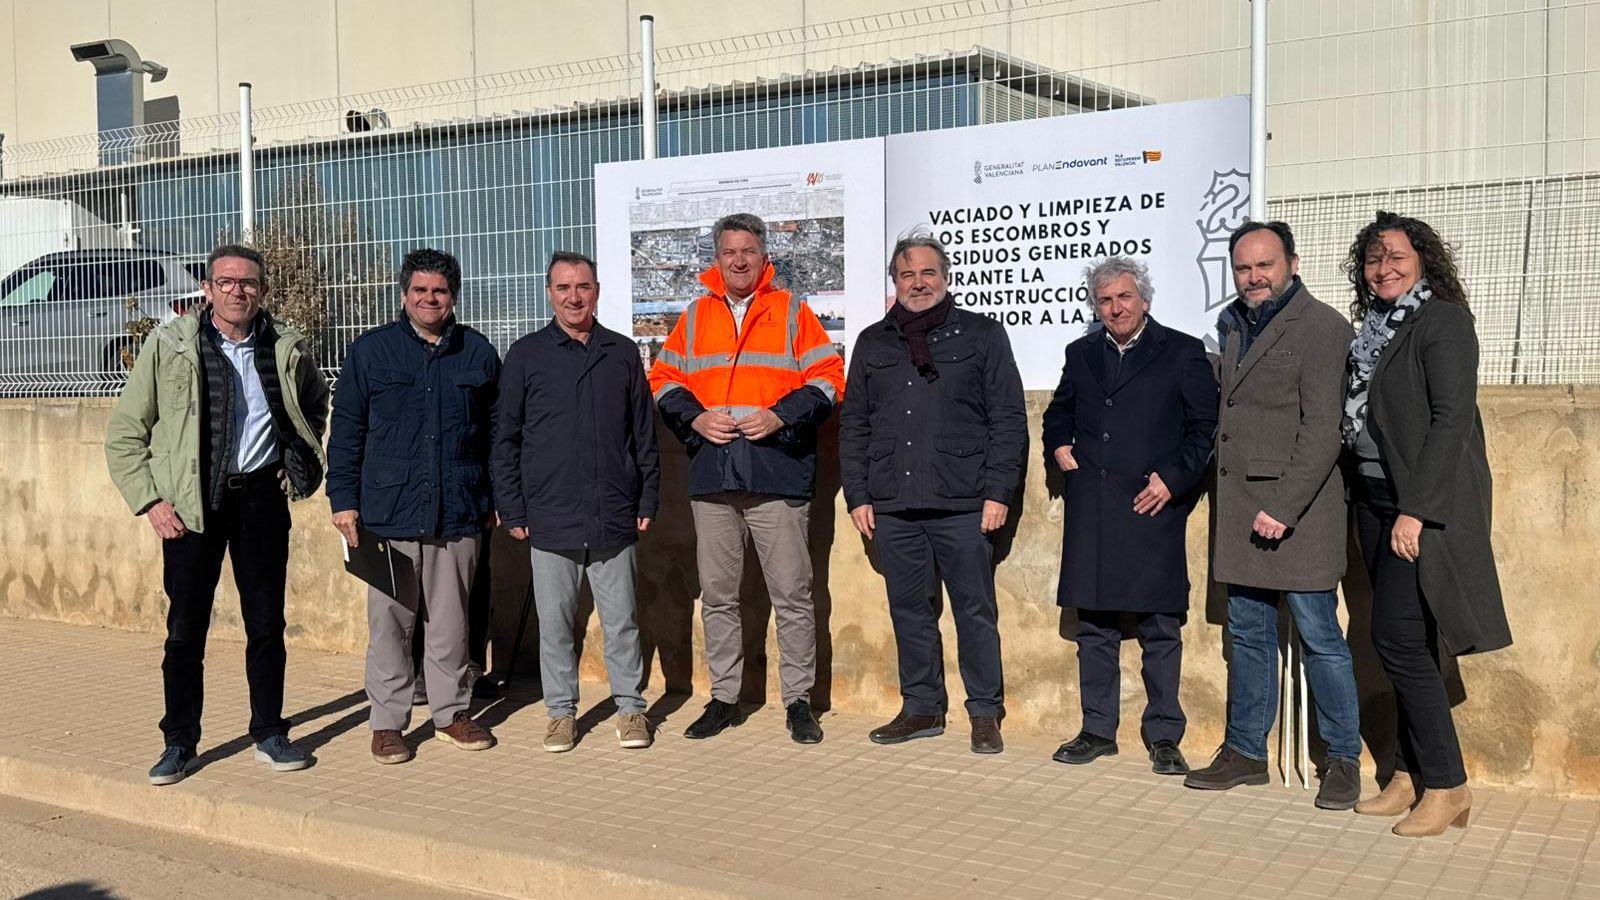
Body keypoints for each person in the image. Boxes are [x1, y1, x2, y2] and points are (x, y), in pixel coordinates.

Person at [106, 243, 329, 785]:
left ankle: (270, 732)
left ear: (263, 291)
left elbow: (313, 405)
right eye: (226, 282)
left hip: (259, 501)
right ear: (207, 289)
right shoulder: (169, 346)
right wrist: (150, 501)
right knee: (185, 630)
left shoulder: (286, 348)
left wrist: (297, 460)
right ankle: (179, 742)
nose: (237, 291)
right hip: (188, 506)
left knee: (266, 625)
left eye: (248, 283)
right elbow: (124, 435)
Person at [1341, 211, 1511, 837]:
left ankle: (1448, 784)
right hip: (1373, 501)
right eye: (1372, 260)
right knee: (1401, 644)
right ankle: (1410, 777)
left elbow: (1451, 420)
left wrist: (1416, 510)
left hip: (1418, 510)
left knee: (1400, 640)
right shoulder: (1376, 329)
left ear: (1423, 260)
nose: (1383, 269)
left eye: (1395, 257)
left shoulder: (1442, 322)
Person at [1184, 221, 1363, 811]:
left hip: (1300, 514)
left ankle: (1343, 759)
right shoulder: (1235, 325)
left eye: (1265, 265)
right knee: (1248, 636)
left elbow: (1323, 431)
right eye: (1243, 268)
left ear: (1291, 262)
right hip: (1242, 513)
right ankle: (1245, 753)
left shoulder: (1322, 327)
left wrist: (1282, 508)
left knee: (1321, 639)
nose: (1254, 277)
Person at [648, 213, 845, 744]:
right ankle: (725, 699)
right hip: (713, 477)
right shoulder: (694, 316)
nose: (739, 260)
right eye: (730, 251)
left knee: (793, 595)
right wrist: (695, 417)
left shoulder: (791, 312)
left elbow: (828, 379)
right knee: (718, 596)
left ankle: (799, 701)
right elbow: (662, 380)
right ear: (717, 259)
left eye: (749, 251)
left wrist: (782, 415)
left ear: (764, 258)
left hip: (776, 473)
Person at [839, 234, 1026, 754]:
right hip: (893, 503)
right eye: (907, 275)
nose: (918, 284)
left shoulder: (983, 334)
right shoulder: (874, 342)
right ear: (894, 282)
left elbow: (1008, 419)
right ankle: (922, 706)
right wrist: (858, 493)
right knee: (909, 610)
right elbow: (855, 422)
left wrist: (999, 493)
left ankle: (985, 711)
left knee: (974, 611)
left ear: (945, 277)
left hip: (964, 501)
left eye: (927, 273)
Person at [1041, 257, 1217, 774]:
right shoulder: (1081, 353)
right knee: (1094, 626)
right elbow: (1059, 410)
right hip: (1093, 508)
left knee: (1160, 628)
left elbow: (1203, 430)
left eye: (1123, 297)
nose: (1115, 308)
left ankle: (1164, 736)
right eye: (1104, 300)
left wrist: (1172, 478)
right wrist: (1058, 444)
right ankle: (1097, 730)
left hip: (1151, 504)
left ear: (1144, 299)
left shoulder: (1183, 352)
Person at [327, 248, 500, 765]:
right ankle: (387, 723)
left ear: (454, 298)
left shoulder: (477, 353)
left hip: (459, 511)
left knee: (451, 623)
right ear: (404, 295)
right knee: (392, 625)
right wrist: (343, 501)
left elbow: (494, 435)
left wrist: (494, 498)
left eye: (440, 291)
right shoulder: (372, 352)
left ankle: (450, 714)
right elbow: (348, 431)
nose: (430, 299)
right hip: (388, 512)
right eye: (421, 290)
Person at [492, 251, 659, 753]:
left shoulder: (622, 353)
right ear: (549, 293)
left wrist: (647, 493)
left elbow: (644, 435)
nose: (573, 297)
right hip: (549, 515)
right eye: (563, 288)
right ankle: (561, 713)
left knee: (622, 622)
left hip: (613, 511)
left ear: (597, 291)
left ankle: (630, 709)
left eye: (582, 286)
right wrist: (514, 507)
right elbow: (506, 439)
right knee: (556, 625)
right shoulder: (525, 356)